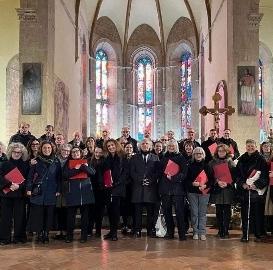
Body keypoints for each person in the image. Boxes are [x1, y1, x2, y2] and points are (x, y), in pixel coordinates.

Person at [26, 141, 61, 243]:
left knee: (49, 214)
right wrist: (28, 188)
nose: (47, 150)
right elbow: (30, 176)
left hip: (51, 191)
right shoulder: (36, 161)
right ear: (41, 149)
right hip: (38, 191)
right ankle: (39, 234)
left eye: (49, 148)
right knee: (38, 215)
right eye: (45, 148)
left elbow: (59, 177)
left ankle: (46, 233)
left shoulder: (56, 161)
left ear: (52, 149)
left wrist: (58, 190)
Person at [236, 139, 269, 242]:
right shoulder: (242, 159)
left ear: (255, 147)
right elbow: (237, 175)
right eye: (248, 146)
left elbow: (265, 175)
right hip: (245, 191)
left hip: (257, 191)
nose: (250, 148)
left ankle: (258, 233)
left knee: (257, 213)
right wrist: (242, 184)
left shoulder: (261, 159)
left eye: (252, 146)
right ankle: (245, 234)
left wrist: (256, 185)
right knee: (245, 213)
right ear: (246, 147)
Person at [63, 146, 96, 243]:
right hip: (72, 192)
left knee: (85, 216)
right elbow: (65, 175)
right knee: (70, 216)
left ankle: (84, 236)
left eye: (77, 151)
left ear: (80, 153)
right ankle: (69, 236)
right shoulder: (67, 163)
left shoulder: (87, 161)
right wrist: (77, 169)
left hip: (85, 193)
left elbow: (92, 172)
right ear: (71, 154)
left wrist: (83, 166)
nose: (75, 153)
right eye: (73, 152)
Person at [158, 139, 188, 240]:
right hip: (165, 189)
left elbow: (184, 173)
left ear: (176, 146)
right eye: (169, 146)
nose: (171, 147)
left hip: (177, 189)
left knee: (180, 212)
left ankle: (182, 234)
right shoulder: (163, 157)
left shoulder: (181, 157)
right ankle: (170, 233)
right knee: (167, 212)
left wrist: (174, 178)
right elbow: (160, 171)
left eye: (173, 146)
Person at [0, 143, 29, 245]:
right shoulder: (4, 164)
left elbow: (28, 180)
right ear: (10, 152)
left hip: (19, 195)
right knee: (5, 217)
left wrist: (19, 186)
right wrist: (10, 184)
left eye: (19, 152)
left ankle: (19, 237)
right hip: (6, 194)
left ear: (22, 153)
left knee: (20, 217)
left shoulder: (25, 165)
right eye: (15, 152)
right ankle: (4, 238)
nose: (17, 154)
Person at [130, 138, 159, 238]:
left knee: (150, 211)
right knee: (137, 211)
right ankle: (137, 230)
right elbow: (132, 172)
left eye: (147, 143)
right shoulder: (134, 158)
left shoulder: (155, 157)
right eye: (143, 143)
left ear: (150, 146)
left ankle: (150, 230)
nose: (145, 145)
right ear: (139, 146)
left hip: (150, 188)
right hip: (138, 188)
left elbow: (157, 172)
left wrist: (150, 180)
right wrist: (140, 180)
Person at [209, 144, 236, 238]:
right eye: (219, 151)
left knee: (227, 211)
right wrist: (217, 182)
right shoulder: (212, 162)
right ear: (217, 152)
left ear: (227, 152)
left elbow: (235, 176)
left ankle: (226, 230)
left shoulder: (230, 162)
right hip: (218, 189)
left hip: (228, 189)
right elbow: (209, 176)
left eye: (223, 151)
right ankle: (220, 230)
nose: (221, 153)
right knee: (219, 210)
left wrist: (227, 183)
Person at [186, 147, 214, 241]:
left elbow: (212, 180)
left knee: (202, 213)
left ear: (203, 155)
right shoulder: (189, 165)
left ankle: (202, 232)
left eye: (200, 153)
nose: (199, 155)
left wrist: (205, 186)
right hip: (192, 192)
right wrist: (192, 184)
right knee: (194, 213)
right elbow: (186, 180)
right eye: (197, 153)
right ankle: (195, 232)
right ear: (194, 155)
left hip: (204, 192)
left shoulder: (207, 166)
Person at [102, 139, 127, 241]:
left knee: (115, 211)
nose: (111, 147)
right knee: (110, 210)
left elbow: (125, 173)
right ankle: (111, 231)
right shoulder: (107, 158)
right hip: (109, 188)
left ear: (116, 145)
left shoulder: (122, 157)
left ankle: (114, 233)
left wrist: (116, 183)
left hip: (118, 188)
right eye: (108, 146)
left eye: (112, 145)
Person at [54, 143, 72, 240]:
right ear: (60, 150)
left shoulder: (71, 161)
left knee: (65, 210)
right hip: (57, 188)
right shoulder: (55, 160)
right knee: (58, 210)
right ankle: (58, 230)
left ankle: (64, 230)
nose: (66, 152)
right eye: (64, 150)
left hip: (67, 188)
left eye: (68, 151)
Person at [89, 146, 105, 237]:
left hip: (101, 190)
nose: (98, 154)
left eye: (100, 152)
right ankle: (90, 230)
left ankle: (98, 230)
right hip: (91, 189)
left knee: (100, 212)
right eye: (96, 152)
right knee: (91, 211)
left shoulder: (105, 162)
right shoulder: (89, 161)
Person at [120, 142, 135, 235]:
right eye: (127, 147)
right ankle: (124, 224)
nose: (129, 149)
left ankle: (132, 225)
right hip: (124, 185)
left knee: (132, 206)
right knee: (124, 206)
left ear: (133, 149)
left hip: (133, 186)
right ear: (124, 149)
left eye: (130, 147)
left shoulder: (136, 158)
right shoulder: (122, 159)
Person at [260, 142, 273, 235]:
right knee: (262, 205)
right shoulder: (259, 157)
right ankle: (263, 228)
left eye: (268, 146)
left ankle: (271, 227)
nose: (267, 148)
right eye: (265, 146)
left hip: (271, 184)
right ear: (261, 148)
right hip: (261, 184)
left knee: (270, 206)